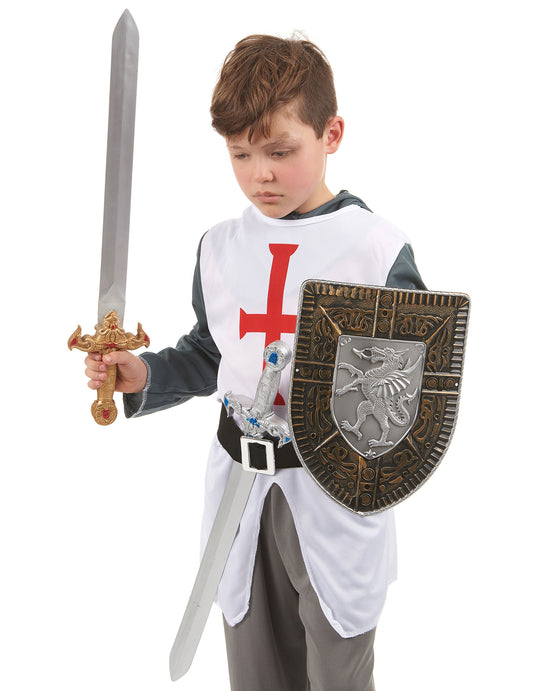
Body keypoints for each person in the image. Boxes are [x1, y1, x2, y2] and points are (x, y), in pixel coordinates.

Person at [84, 34, 425, 690]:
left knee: (337, 666)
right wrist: (145, 375)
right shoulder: (220, 247)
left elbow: (404, 395)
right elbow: (211, 353)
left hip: (332, 495)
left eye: (279, 151)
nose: (259, 174)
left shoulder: (375, 251)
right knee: (255, 667)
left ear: (331, 134)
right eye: (240, 154)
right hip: (238, 490)